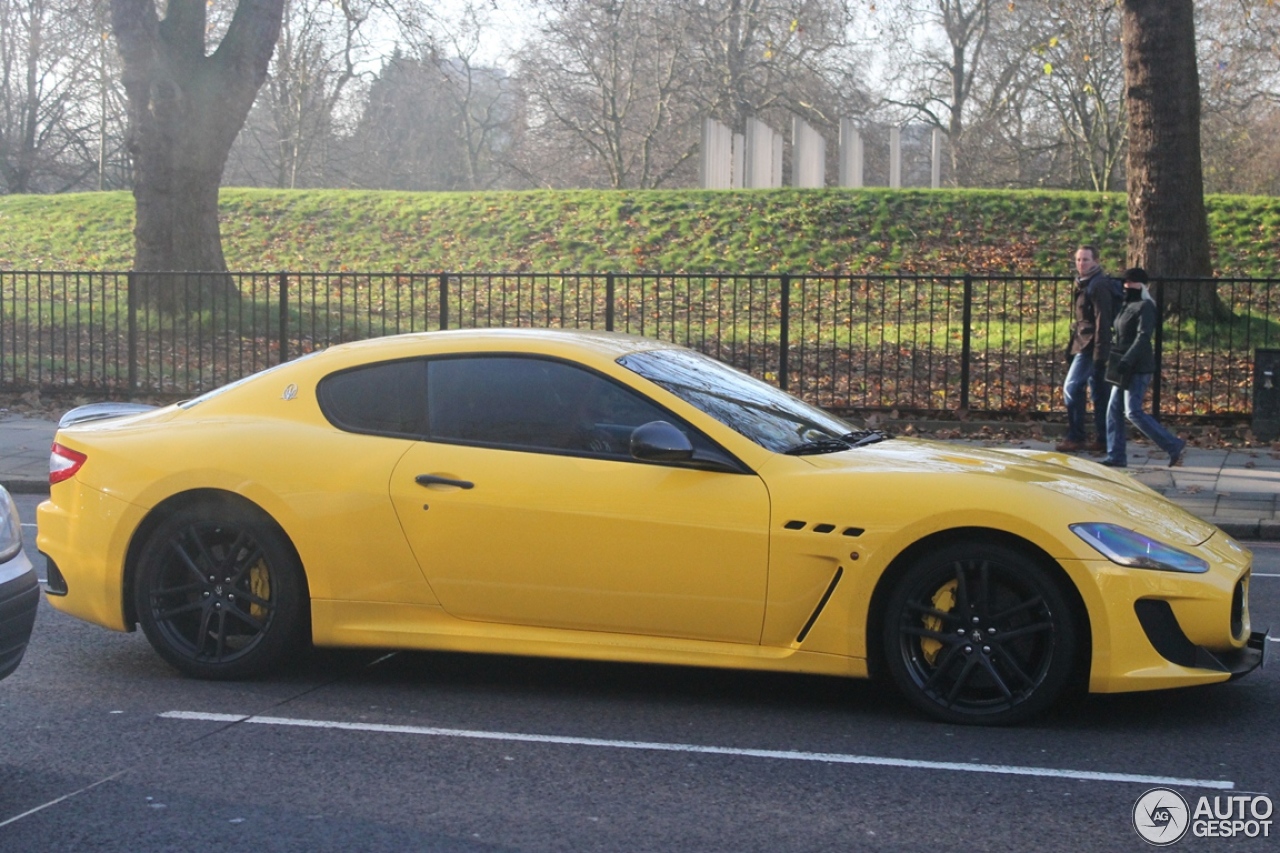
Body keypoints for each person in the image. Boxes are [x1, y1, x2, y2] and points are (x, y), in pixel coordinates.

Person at [1099, 267, 1187, 468]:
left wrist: (1127, 360)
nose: (1127, 285)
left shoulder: (1146, 306)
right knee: (1113, 410)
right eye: (1125, 282)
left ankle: (1173, 444)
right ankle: (1116, 455)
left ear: (1142, 285)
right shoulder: (1125, 304)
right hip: (1121, 365)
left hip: (1138, 366)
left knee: (1133, 411)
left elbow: (1143, 337)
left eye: (1132, 282)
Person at [1056, 245, 1117, 453]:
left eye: (1086, 260)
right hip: (1083, 341)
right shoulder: (1084, 283)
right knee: (1099, 393)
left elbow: (1103, 320)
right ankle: (1103, 439)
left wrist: (1101, 352)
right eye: (1078, 260)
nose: (1081, 264)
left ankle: (1076, 437)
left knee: (1071, 388)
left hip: (1091, 345)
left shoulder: (1098, 285)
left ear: (1096, 261)